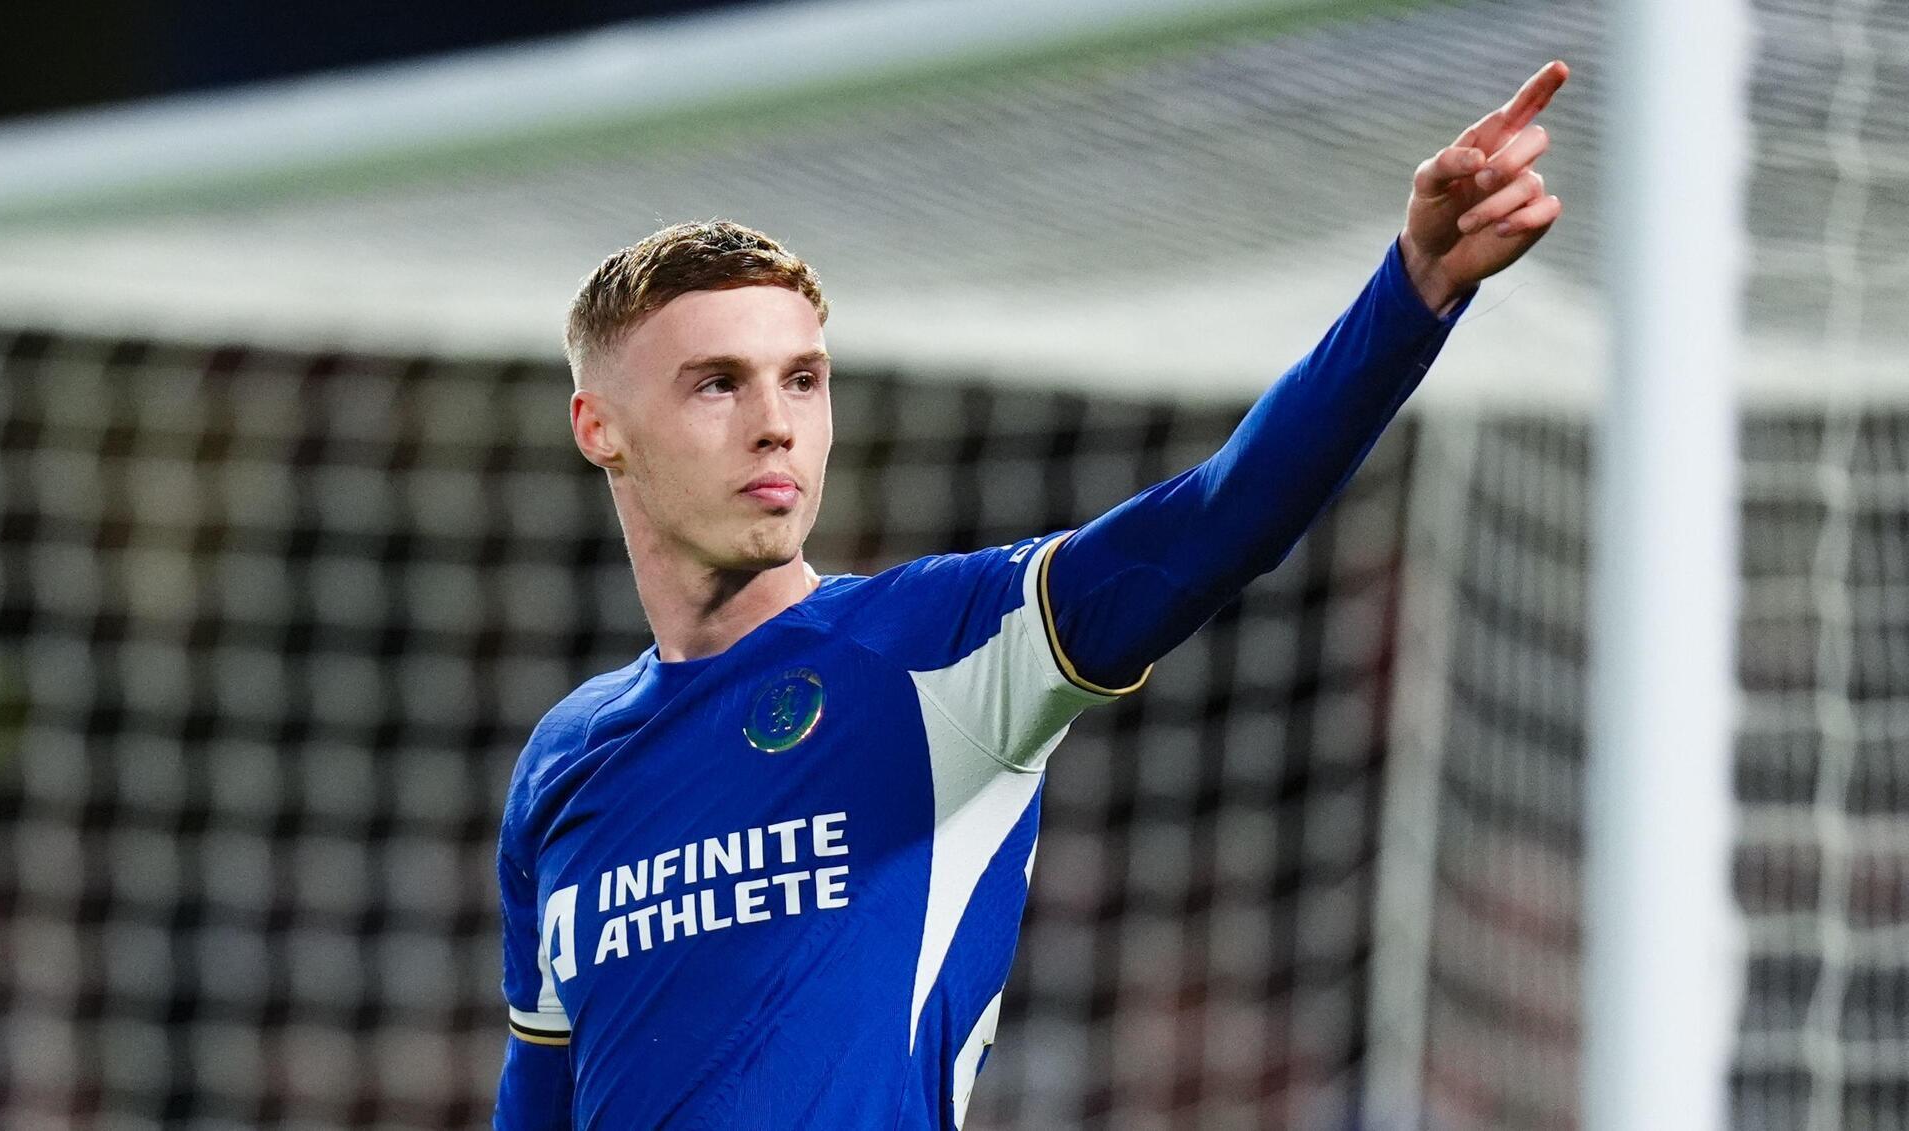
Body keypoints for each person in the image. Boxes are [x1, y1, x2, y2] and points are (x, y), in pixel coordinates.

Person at [494, 60, 1569, 1130]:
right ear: (600, 427)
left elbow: (1211, 522)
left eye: (803, 379)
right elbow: (535, 1105)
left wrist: (1413, 293)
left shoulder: (930, 649)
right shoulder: (562, 760)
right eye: (718, 383)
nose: (775, 423)